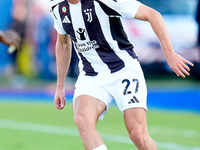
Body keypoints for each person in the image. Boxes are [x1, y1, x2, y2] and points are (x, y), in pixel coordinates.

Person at [50, 0, 194, 149]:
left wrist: (169, 53)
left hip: (123, 70)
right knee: (82, 120)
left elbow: (153, 14)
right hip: (91, 75)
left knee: (137, 133)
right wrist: (59, 86)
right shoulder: (57, 6)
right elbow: (63, 43)